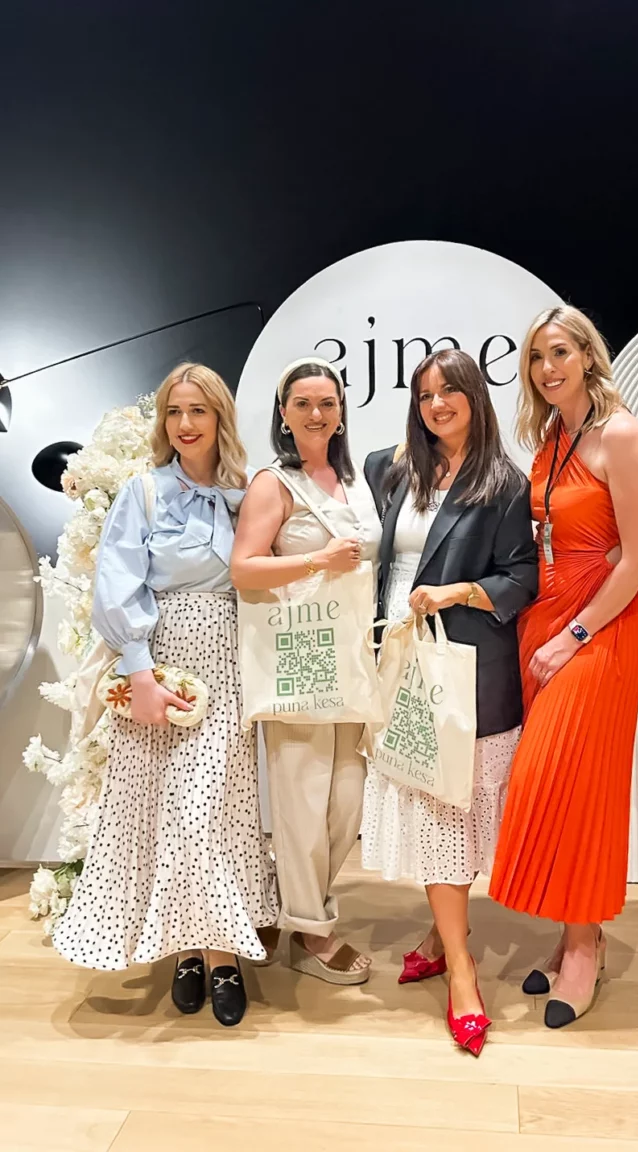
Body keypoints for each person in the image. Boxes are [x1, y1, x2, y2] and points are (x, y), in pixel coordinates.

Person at [54, 363, 278, 1028]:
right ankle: (184, 952)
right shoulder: (144, 492)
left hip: (229, 666)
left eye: (198, 411)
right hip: (161, 666)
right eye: (174, 412)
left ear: (220, 418)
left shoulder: (247, 492)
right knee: (164, 812)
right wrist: (140, 674)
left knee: (212, 814)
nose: (185, 424)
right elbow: (117, 583)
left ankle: (221, 957)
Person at [362, 349, 538, 1055]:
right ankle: (448, 943)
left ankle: (458, 966)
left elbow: (522, 577)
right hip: (401, 661)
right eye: (425, 394)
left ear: (475, 396)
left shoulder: (503, 483)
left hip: (466, 666)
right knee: (432, 804)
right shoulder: (391, 469)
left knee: (453, 811)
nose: (437, 405)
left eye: (449, 391)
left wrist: (458, 592)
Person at [490, 305, 638, 1028]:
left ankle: (584, 949)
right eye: (535, 357)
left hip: (602, 624)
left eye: (559, 352)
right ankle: (573, 934)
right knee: (566, 788)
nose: (546, 368)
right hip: (547, 620)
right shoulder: (552, 438)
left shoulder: (620, 434)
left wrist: (577, 633)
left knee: (564, 780)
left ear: (588, 355)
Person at [230, 357, 381, 985]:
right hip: (299, 659)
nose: (316, 413)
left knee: (347, 801)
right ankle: (313, 929)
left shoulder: (356, 479)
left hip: (353, 660)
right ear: (284, 414)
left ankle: (284, 905)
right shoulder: (274, 483)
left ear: (341, 412)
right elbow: (243, 568)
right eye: (303, 403)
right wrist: (318, 560)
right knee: (301, 802)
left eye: (327, 402)